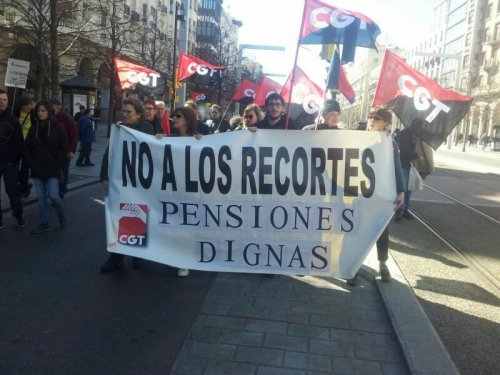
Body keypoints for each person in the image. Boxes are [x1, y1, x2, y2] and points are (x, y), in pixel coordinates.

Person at [347, 107, 404, 285]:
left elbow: (396, 167)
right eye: (371, 117)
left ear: (385, 123)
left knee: (381, 230)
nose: (372, 120)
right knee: (357, 229)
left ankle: (383, 263)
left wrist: (401, 190)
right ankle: (354, 266)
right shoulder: (359, 138)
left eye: (377, 118)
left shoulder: (391, 143)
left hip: (381, 193)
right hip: (360, 193)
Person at [100, 98, 154, 273]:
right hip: (120, 181)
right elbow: (108, 154)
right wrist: (104, 177)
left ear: (138, 114)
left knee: (138, 215)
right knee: (119, 217)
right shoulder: (119, 129)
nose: (125, 114)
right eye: (124, 111)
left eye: (129, 112)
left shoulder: (146, 128)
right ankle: (117, 257)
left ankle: (137, 254)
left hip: (138, 182)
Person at [156, 106, 201, 277]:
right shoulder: (170, 138)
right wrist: (158, 140)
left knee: (187, 226)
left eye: (178, 116)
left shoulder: (198, 138)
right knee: (174, 224)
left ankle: (184, 261)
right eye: (174, 115)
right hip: (173, 190)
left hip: (190, 191)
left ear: (187, 120)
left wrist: (202, 142)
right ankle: (174, 256)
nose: (174, 118)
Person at [24, 101, 68, 234]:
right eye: (38, 111)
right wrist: (31, 163)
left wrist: (58, 164)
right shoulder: (34, 128)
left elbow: (63, 147)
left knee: (54, 195)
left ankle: (61, 214)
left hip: (52, 168)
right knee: (41, 198)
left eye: (43, 110)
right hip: (37, 168)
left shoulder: (58, 127)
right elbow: (26, 148)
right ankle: (44, 222)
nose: (40, 113)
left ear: (48, 112)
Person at [0, 89, 27, 230]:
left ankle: (18, 215)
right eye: (0, 99)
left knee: (12, 192)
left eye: (4, 99)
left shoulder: (13, 121)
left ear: (7, 101)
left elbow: (20, 143)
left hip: (10, 163)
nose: (2, 102)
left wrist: (16, 160)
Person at [50, 99, 77, 199]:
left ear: (57, 106)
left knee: (63, 171)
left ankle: (61, 191)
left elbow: (74, 135)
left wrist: (71, 150)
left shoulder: (66, 118)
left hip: (65, 150)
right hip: (53, 151)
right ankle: (56, 191)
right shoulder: (51, 117)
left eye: (52, 107)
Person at [395, 124, 419, 222]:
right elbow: (405, 151)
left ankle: (404, 209)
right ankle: (399, 211)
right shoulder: (405, 134)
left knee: (409, 188)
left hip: (410, 165)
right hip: (403, 164)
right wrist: (416, 155)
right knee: (403, 188)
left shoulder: (416, 135)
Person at [16, 96, 36, 198]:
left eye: (29, 105)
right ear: (21, 106)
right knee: (14, 167)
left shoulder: (33, 115)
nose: (28, 107)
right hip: (16, 145)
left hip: (28, 146)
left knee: (25, 167)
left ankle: (24, 188)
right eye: (26, 105)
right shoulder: (15, 114)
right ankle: (23, 184)